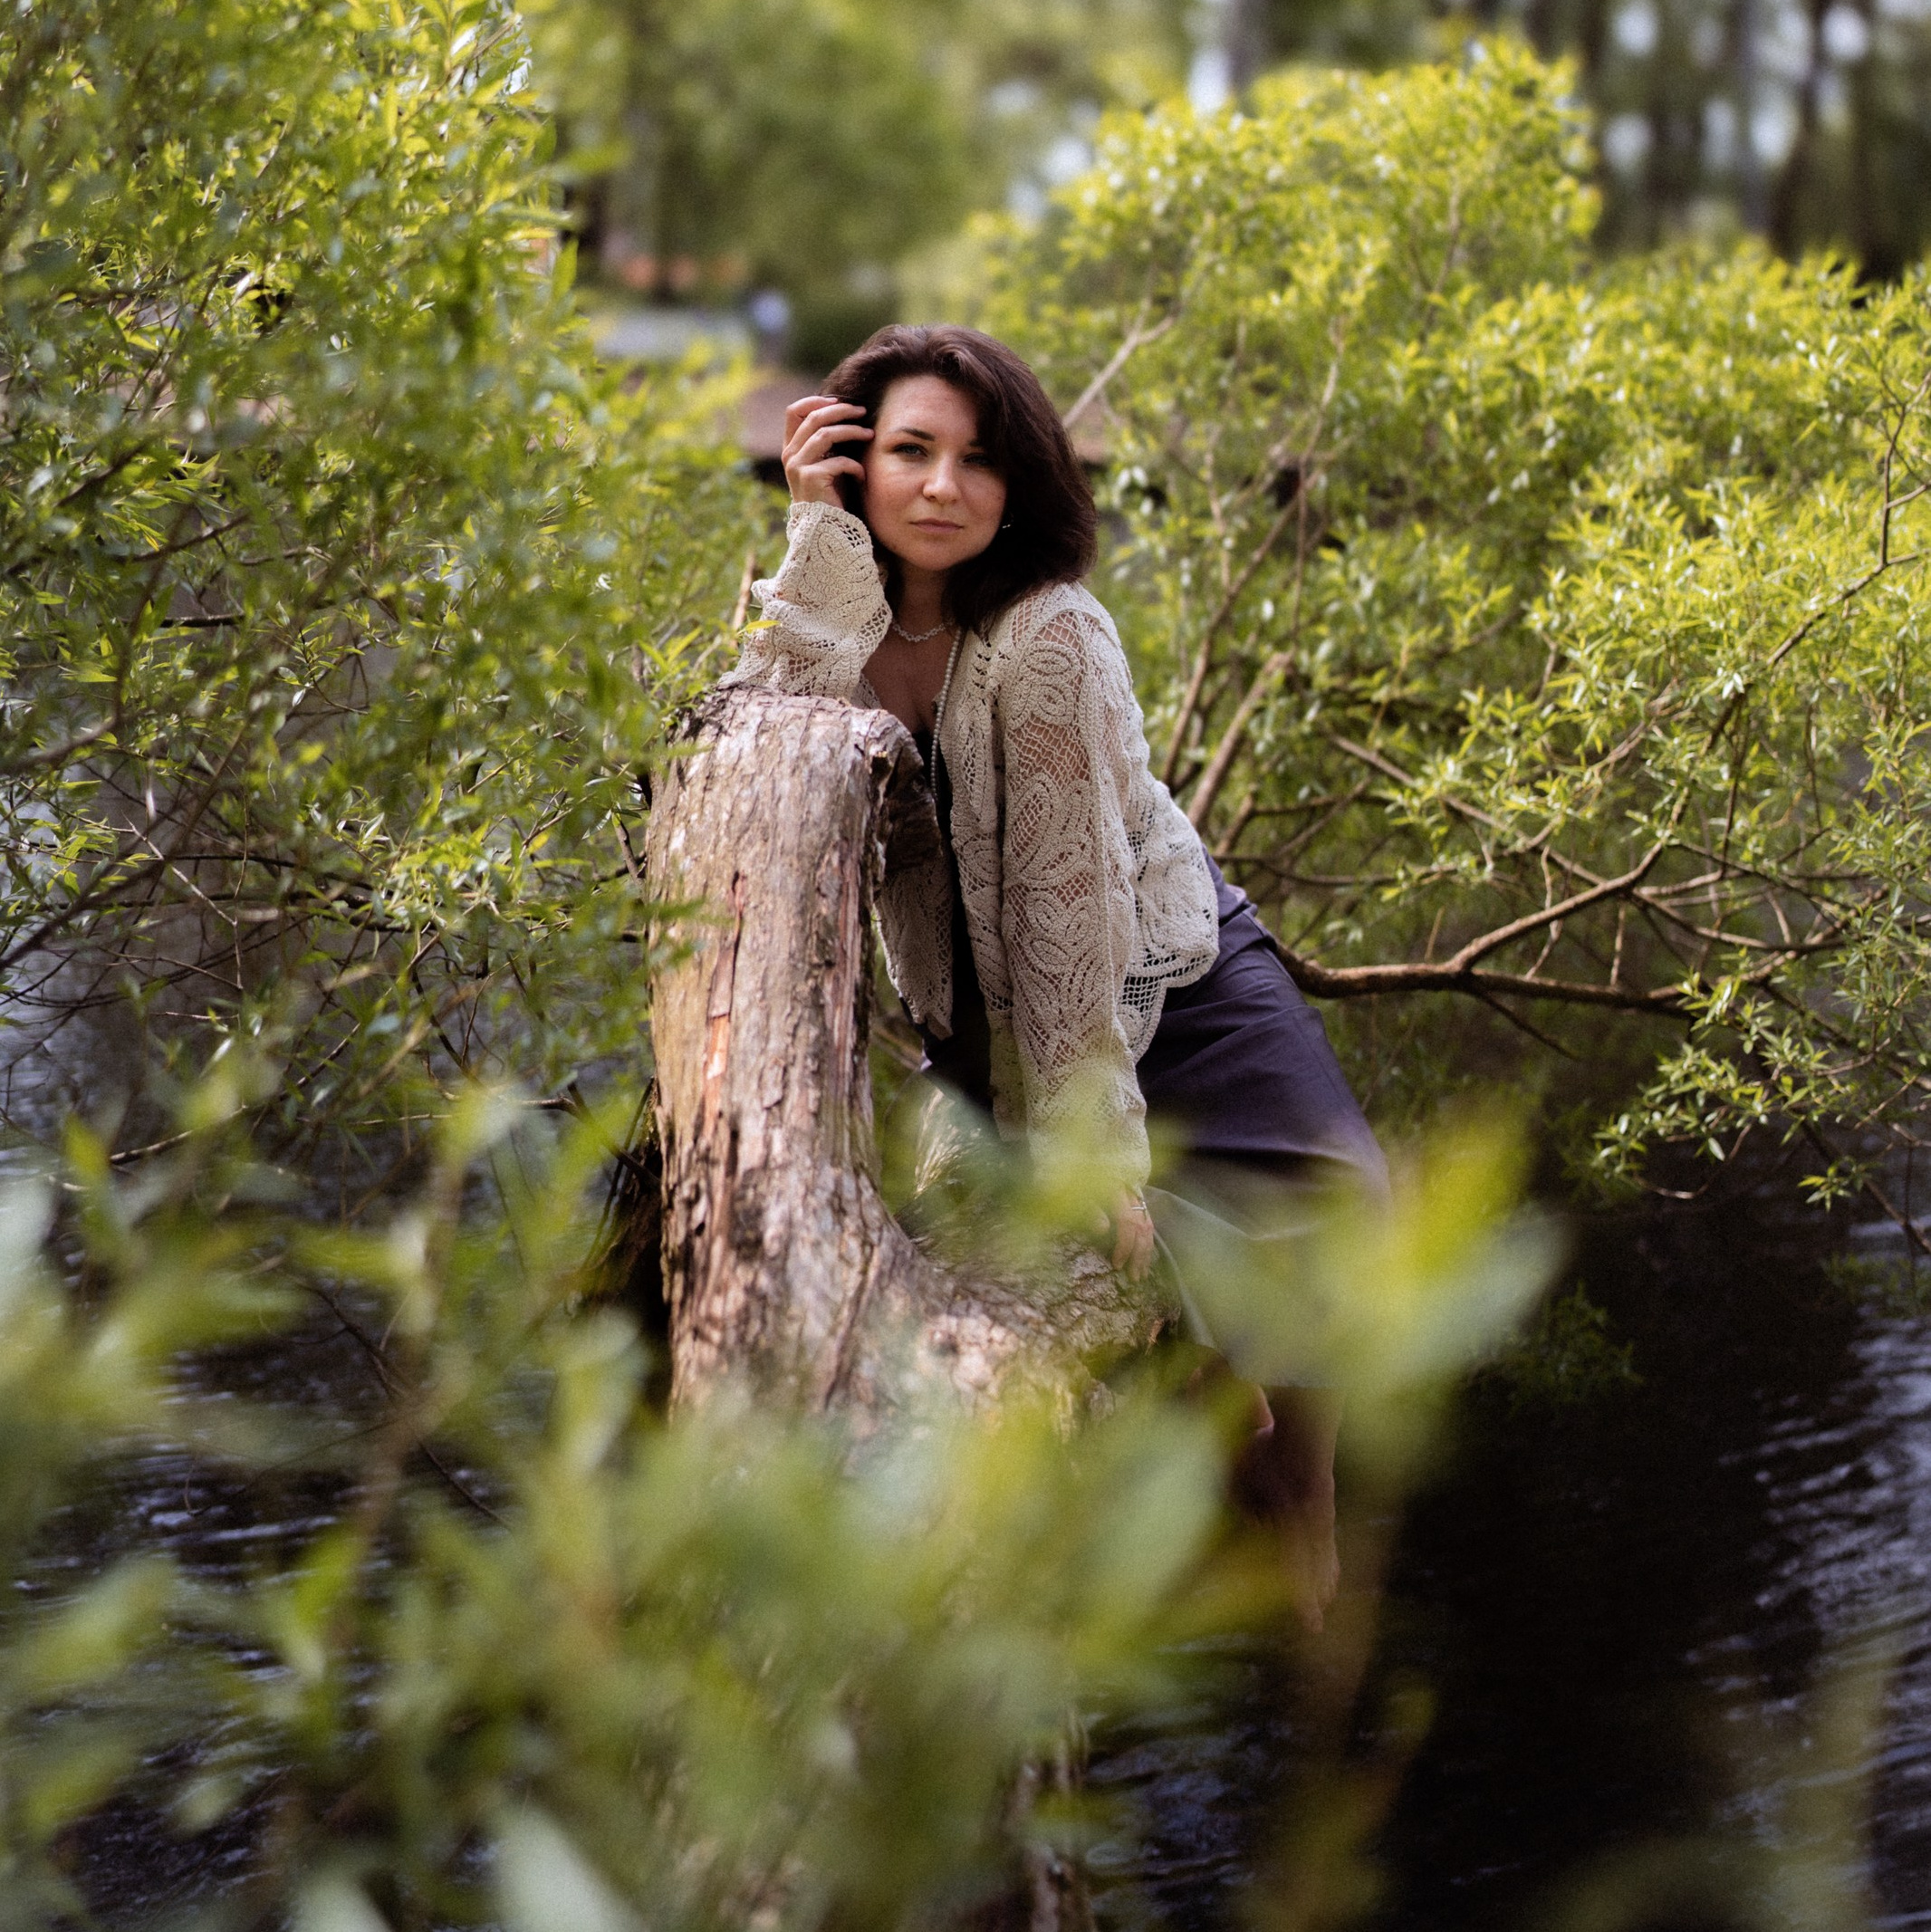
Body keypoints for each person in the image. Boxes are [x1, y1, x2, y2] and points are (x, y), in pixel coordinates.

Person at [724, 324, 1386, 1620]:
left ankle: (1302, 1492)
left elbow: (1068, 917)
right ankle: (1219, 1409)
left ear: (1018, 486)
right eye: (908, 451)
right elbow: (762, 741)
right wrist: (815, 537)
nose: (941, 486)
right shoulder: (843, 602)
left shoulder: (1048, 637)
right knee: (1088, 1251)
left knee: (1334, 1196)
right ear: (854, 460)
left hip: (1157, 964)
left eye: (978, 461)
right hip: (964, 993)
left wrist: (1098, 1147)